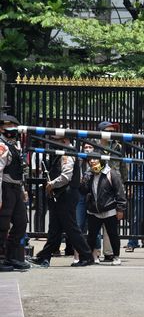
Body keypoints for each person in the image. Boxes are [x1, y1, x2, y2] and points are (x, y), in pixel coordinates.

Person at [30, 134, 94, 267]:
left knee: (70, 227)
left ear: (64, 140)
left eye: (54, 140)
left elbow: (66, 176)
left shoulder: (67, 153)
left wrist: (51, 184)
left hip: (66, 194)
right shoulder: (63, 152)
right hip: (61, 195)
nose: (52, 142)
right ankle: (44, 256)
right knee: (54, 228)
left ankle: (87, 255)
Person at [80, 157, 126, 265]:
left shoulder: (111, 173)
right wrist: (84, 179)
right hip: (94, 211)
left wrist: (120, 208)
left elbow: (119, 191)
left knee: (113, 234)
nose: (92, 161)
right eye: (90, 160)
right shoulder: (90, 174)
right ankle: (89, 257)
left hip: (109, 210)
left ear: (101, 161)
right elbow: (83, 190)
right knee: (91, 236)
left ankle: (116, 256)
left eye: (95, 159)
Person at [0, 114, 30, 271]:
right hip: (5, 188)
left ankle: (12, 258)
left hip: (16, 188)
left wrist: (23, 189)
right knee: (2, 225)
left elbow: (21, 170)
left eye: (13, 126)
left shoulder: (14, 145)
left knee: (21, 222)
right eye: (8, 126)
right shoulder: (1, 145)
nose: (11, 129)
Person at [97, 121, 127, 262]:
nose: (111, 133)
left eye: (112, 130)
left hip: (114, 185)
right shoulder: (94, 145)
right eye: (108, 130)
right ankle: (95, 251)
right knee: (95, 219)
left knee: (112, 221)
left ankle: (109, 252)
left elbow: (123, 166)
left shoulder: (118, 146)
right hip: (98, 184)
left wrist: (124, 185)